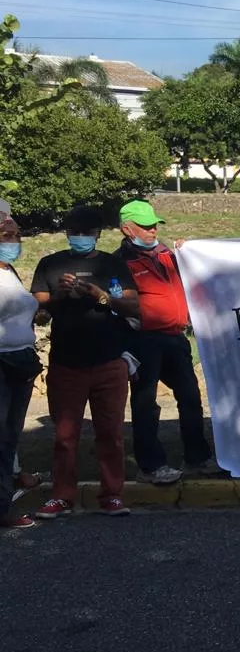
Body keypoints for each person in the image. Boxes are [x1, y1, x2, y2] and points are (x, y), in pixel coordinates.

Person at [31, 206, 141, 520]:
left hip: (109, 361)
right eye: (75, 232)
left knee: (111, 433)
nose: (81, 238)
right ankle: (61, 496)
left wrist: (102, 296)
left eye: (87, 233)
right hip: (67, 363)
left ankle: (112, 495)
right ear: (67, 234)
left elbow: (133, 306)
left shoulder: (112, 264)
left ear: (97, 234)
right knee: (65, 436)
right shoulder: (51, 265)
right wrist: (58, 297)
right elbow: (37, 313)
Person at [115, 199, 216, 485]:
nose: (152, 230)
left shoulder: (167, 256)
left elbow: (195, 275)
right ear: (127, 229)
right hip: (143, 340)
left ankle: (197, 459)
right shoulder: (119, 262)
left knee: (190, 397)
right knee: (145, 403)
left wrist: (189, 253)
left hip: (175, 336)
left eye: (154, 224)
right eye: (145, 226)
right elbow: (119, 303)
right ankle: (150, 466)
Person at [0, 216, 41, 529]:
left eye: (15, 234)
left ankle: (4, 501)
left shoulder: (8, 270)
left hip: (21, 361)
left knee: (10, 436)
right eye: (5, 234)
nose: (12, 240)